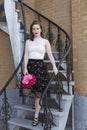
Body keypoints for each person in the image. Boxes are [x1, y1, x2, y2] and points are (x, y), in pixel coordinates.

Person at [23, 20, 58, 126]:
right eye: (33, 29)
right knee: (29, 91)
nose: (35, 31)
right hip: (30, 68)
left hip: (40, 68)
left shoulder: (45, 41)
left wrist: (54, 67)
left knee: (39, 93)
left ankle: (36, 116)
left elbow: (50, 55)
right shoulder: (28, 42)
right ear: (31, 30)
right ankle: (37, 104)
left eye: (37, 28)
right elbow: (26, 55)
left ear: (41, 29)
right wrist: (25, 67)